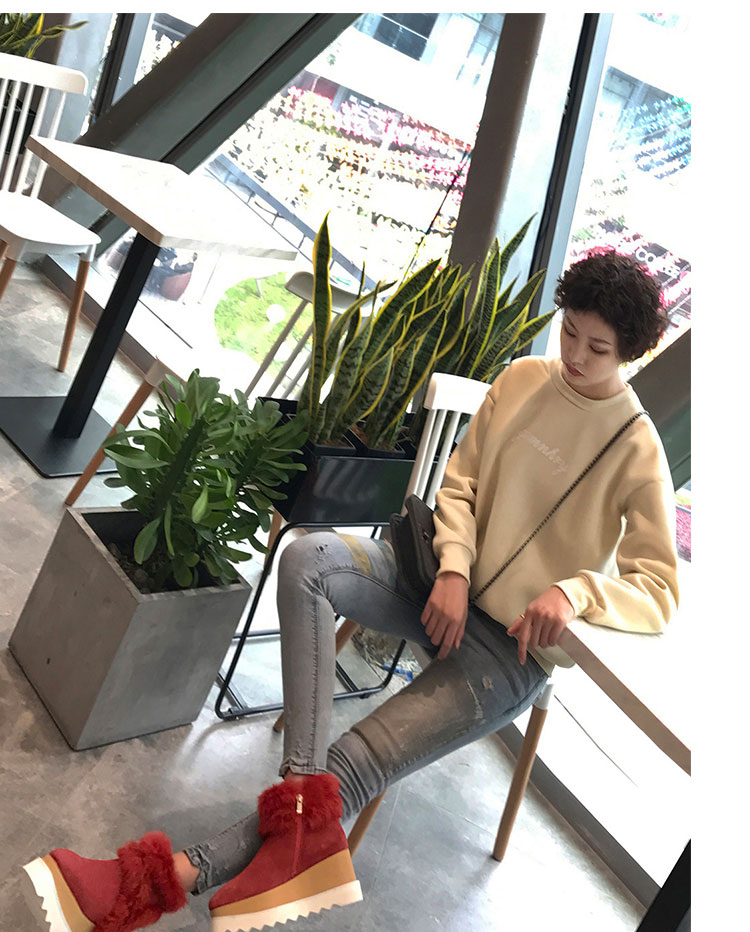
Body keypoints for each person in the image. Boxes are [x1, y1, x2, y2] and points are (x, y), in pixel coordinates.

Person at [21, 249, 679, 932]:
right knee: (308, 558)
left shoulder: (635, 447)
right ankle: (297, 808)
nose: (574, 355)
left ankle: (149, 884)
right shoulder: (523, 379)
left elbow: (659, 588)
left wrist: (576, 592)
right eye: (569, 331)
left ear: (628, 354)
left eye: (597, 349)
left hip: (506, 652)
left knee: (350, 767)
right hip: (436, 586)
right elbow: (462, 482)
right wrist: (455, 567)